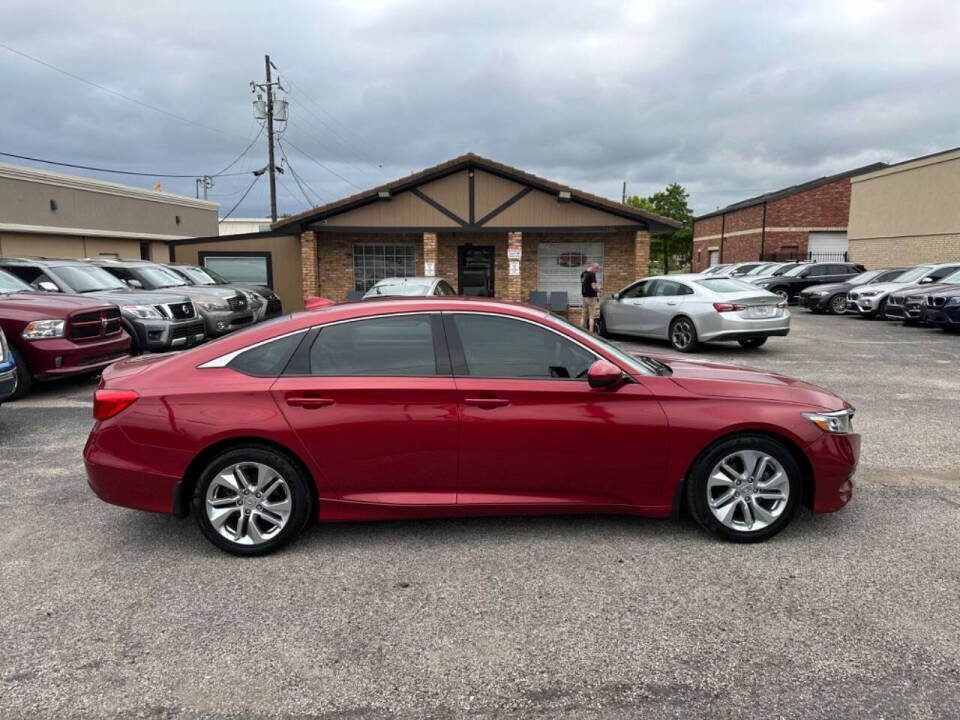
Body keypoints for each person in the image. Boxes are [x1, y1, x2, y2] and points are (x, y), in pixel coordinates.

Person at [580, 262, 600, 333]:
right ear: (595, 268)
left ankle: (580, 332)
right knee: (592, 317)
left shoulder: (583, 274)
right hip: (591, 298)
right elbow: (593, 286)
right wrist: (599, 290)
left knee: (583, 316)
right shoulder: (592, 274)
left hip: (584, 297)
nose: (596, 272)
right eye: (597, 270)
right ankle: (590, 333)